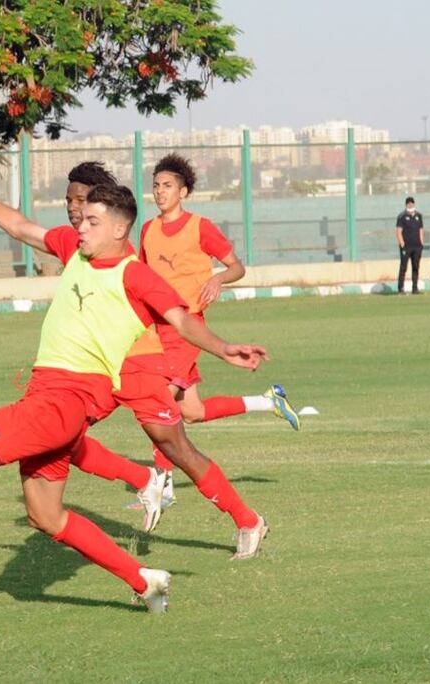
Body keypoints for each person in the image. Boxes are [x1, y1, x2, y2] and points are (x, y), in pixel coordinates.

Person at [0, 165, 269, 614]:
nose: (79, 225)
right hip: (52, 402)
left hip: (62, 402)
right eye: (80, 218)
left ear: (121, 229)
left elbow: (181, 319)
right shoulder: (74, 250)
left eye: (91, 221)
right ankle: (144, 579)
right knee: (45, 516)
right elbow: (19, 226)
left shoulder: (135, 276)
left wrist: (224, 350)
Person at [136, 153, 301, 501]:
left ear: (183, 191)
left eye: (167, 185)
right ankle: (268, 401)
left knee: (158, 400)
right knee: (191, 412)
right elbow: (141, 277)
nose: (160, 191)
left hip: (188, 328)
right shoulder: (148, 230)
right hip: (155, 329)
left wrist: (219, 279)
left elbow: (237, 266)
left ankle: (160, 488)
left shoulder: (200, 227)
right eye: (156, 185)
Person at [397, 196, 425, 295]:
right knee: (403, 267)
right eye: (408, 203)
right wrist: (402, 244)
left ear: (414, 204)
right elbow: (399, 231)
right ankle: (401, 289)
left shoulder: (419, 216)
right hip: (406, 247)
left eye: (411, 203)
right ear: (406, 205)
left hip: (417, 246)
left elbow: (421, 230)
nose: (410, 205)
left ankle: (415, 288)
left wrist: (422, 243)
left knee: (416, 267)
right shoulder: (402, 216)